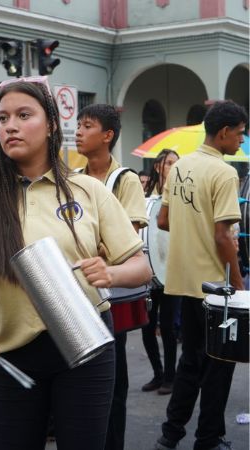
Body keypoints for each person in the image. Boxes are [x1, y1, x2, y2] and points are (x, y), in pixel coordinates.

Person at [0, 79, 151, 450]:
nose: (10, 126)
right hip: (14, 353)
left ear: (52, 125)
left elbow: (141, 267)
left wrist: (111, 273)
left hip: (87, 345)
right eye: (3, 118)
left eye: (24, 115)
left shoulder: (88, 190)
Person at [154, 100, 246, 450]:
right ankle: (208, 438)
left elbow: (163, 220)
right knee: (219, 366)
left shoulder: (179, 165)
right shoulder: (224, 172)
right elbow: (223, 237)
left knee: (190, 361)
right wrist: (239, 286)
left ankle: (170, 434)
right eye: (239, 134)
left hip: (183, 281)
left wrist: (191, 229)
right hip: (215, 288)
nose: (241, 140)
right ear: (223, 133)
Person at [76, 103, 149, 450]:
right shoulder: (72, 176)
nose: (78, 131)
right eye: (78, 125)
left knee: (110, 380)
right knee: (78, 378)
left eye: (87, 126)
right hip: (75, 290)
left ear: (107, 135)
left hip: (108, 293)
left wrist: (88, 251)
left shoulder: (125, 180)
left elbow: (128, 238)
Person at [141, 149, 181, 395]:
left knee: (167, 326)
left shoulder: (180, 195)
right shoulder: (147, 196)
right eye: (169, 163)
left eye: (177, 163)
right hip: (148, 269)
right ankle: (157, 373)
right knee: (146, 327)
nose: (174, 167)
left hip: (171, 270)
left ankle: (170, 377)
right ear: (158, 167)